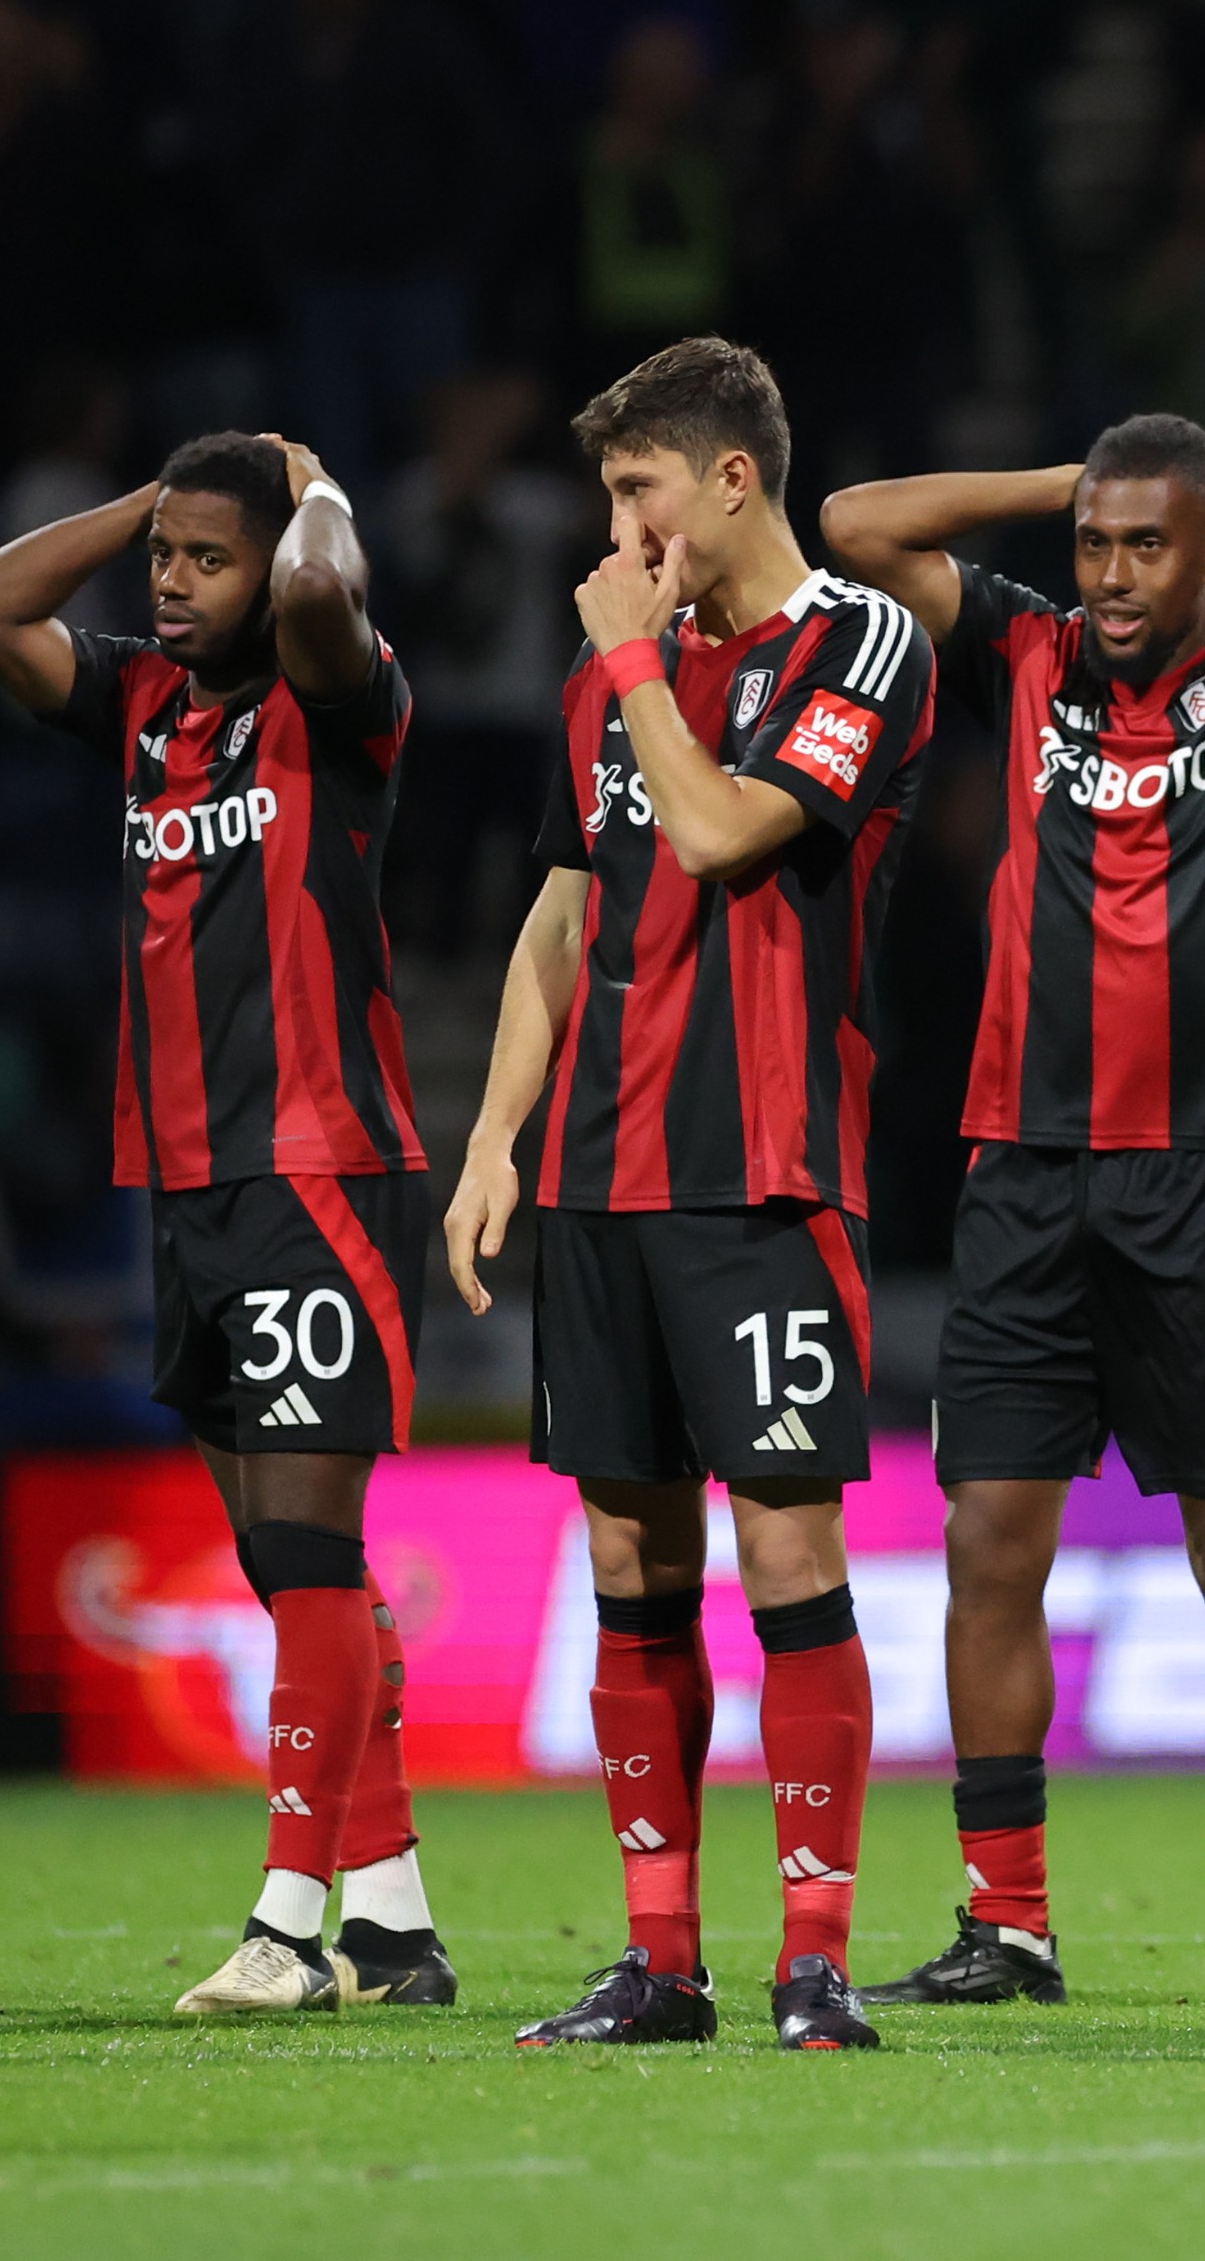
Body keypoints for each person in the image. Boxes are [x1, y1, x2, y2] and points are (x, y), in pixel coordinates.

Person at [817, 416, 1205, 2011]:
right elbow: (857, 517)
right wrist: (1060, 487)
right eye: (1096, 544)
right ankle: (1007, 1924)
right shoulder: (1026, 650)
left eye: (1150, 544)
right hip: (1021, 1168)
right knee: (987, 1544)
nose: (1114, 574)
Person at [448, 338, 936, 2053]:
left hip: (764, 1174)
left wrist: (641, 663)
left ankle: (815, 1956)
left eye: (637, 487)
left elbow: (733, 832)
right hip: (599, 1179)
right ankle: (664, 1962)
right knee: (632, 1569)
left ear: (732, 477)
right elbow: (563, 918)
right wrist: (498, 1132)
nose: (615, 526)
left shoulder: (861, 640)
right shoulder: (610, 679)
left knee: (790, 1554)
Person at [0, 432, 451, 2015]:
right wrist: (136, 509)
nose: (172, 582)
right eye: (166, 556)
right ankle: (396, 1923)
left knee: (306, 1549)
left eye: (202, 560)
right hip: (189, 1179)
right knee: (291, 1562)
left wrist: (320, 496)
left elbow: (315, 593)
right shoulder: (144, 708)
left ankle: (291, 1928)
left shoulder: (337, 698)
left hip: (318, 1169)